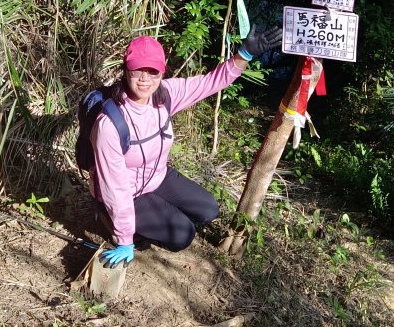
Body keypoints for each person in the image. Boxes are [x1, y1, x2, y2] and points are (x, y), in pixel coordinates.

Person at [91, 26, 282, 268]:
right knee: (183, 235)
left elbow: (210, 82)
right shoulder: (110, 123)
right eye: (138, 69)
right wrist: (124, 239)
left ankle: (154, 215)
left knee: (208, 209)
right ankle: (109, 220)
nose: (145, 79)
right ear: (126, 69)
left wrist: (244, 54)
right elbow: (115, 188)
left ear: (162, 72)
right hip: (128, 192)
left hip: (156, 177)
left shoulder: (165, 95)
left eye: (153, 71)